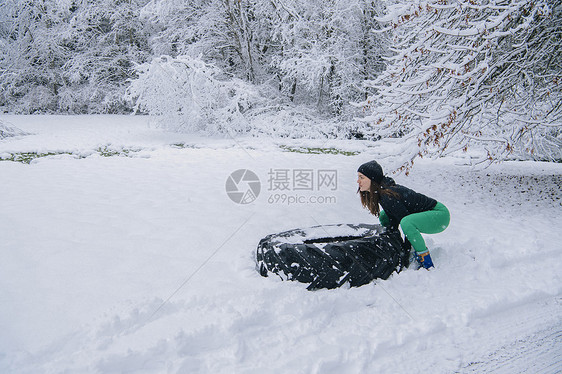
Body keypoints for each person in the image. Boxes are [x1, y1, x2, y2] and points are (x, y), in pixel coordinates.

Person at [357, 160, 450, 269]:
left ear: (372, 179)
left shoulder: (388, 195)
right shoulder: (383, 193)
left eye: (362, 177)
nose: (358, 181)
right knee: (384, 215)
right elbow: (393, 219)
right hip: (432, 214)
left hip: (440, 215)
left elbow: (405, 223)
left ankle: (425, 261)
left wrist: (405, 253)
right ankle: (394, 244)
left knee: (406, 222)